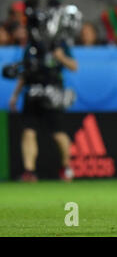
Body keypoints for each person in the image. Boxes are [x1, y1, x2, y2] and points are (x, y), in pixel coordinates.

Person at [9, 37, 78, 182]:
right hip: (33, 92)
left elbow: (74, 66)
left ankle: (66, 167)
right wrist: (15, 95)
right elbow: (25, 73)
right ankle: (29, 171)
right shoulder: (31, 45)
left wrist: (60, 57)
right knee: (28, 131)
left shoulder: (60, 43)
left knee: (58, 133)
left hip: (53, 93)